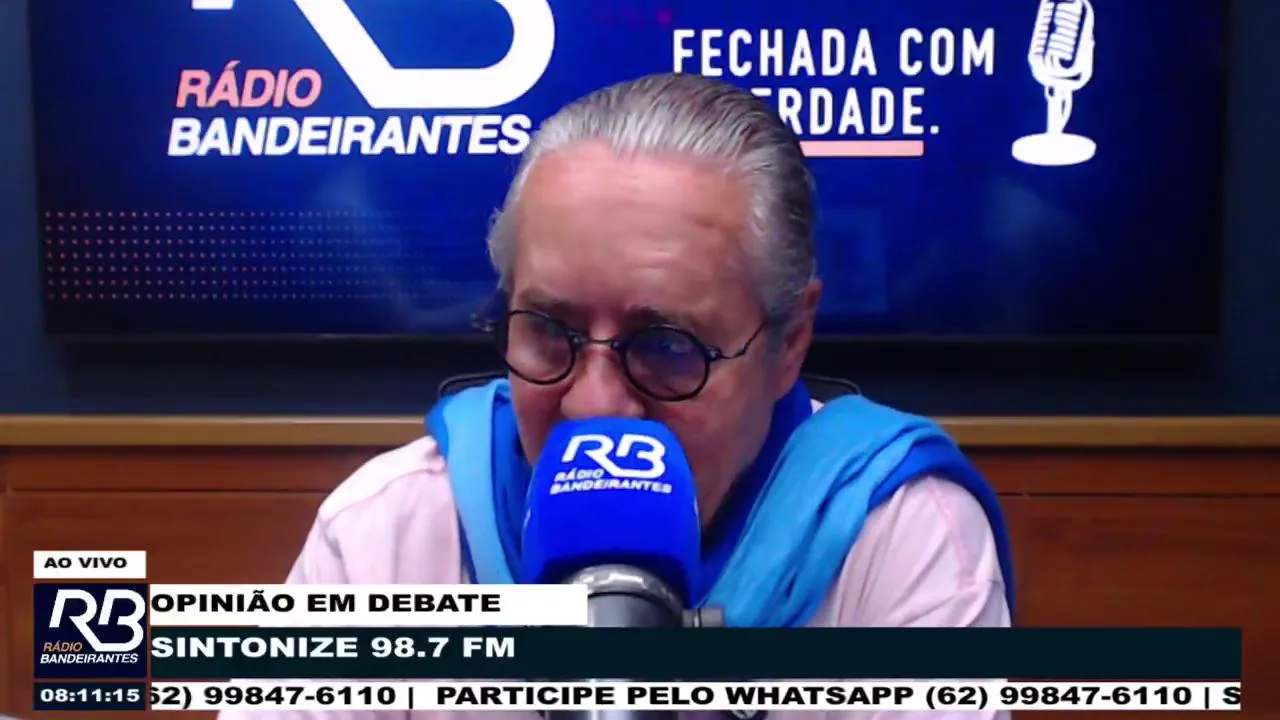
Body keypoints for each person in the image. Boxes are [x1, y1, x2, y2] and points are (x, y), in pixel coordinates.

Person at [223, 72, 1014, 720]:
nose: (593, 407)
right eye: (548, 332)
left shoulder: (900, 536)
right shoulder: (388, 531)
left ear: (789, 341)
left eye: (667, 346)